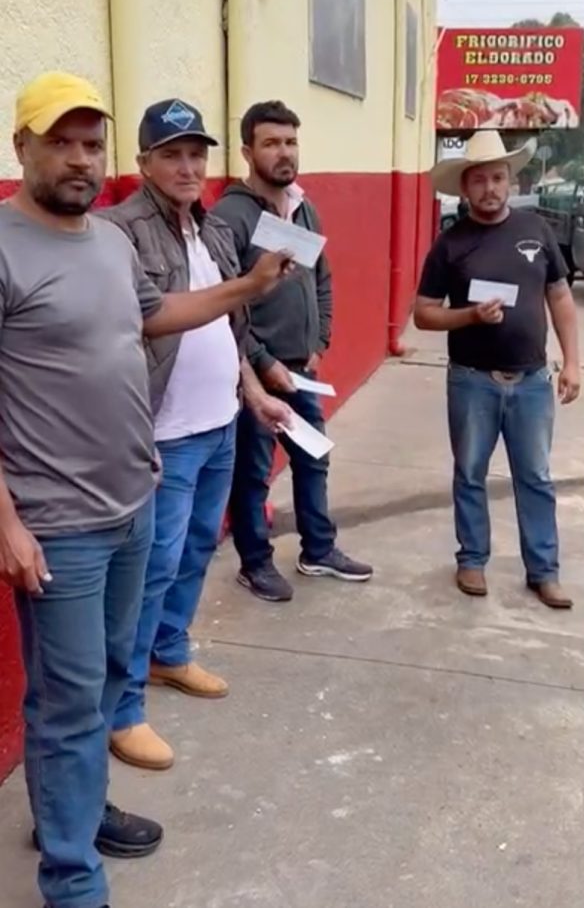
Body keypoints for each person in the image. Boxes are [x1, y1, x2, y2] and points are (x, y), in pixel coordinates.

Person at [0, 71, 291, 908]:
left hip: (132, 502)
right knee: (66, 703)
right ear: (22, 147)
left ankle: (75, 812)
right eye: (60, 143)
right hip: (57, 526)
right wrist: (7, 524)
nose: (79, 159)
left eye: (92, 144)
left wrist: (247, 289)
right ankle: (72, 880)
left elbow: (150, 318)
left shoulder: (108, 241)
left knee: (103, 680)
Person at [96, 98, 294, 772]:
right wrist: (249, 284)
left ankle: (169, 654)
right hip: (165, 435)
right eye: (172, 155)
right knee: (147, 574)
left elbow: (227, 330)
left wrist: (254, 393)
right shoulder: (119, 232)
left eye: (196, 155)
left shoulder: (210, 230)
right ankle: (123, 710)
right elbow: (142, 322)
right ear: (143, 163)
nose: (187, 167)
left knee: (196, 552)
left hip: (219, 426)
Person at [211, 99, 372, 603]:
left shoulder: (303, 208)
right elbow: (225, 305)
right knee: (253, 474)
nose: (284, 152)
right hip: (256, 378)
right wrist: (263, 363)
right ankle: (255, 563)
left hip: (302, 371)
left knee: (312, 461)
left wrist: (320, 341)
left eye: (291, 142)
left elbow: (320, 277)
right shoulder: (230, 217)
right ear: (247, 152)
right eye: (271, 143)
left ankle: (318, 550)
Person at [413, 130, 582, 603]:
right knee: (470, 472)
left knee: (536, 478)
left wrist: (572, 362)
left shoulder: (537, 231)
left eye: (498, 178)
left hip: (532, 381)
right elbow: (423, 313)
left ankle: (543, 571)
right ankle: (472, 561)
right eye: (480, 180)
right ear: (465, 187)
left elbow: (560, 296)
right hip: (472, 380)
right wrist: (468, 316)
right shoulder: (450, 244)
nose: (490, 188)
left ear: (511, 181)